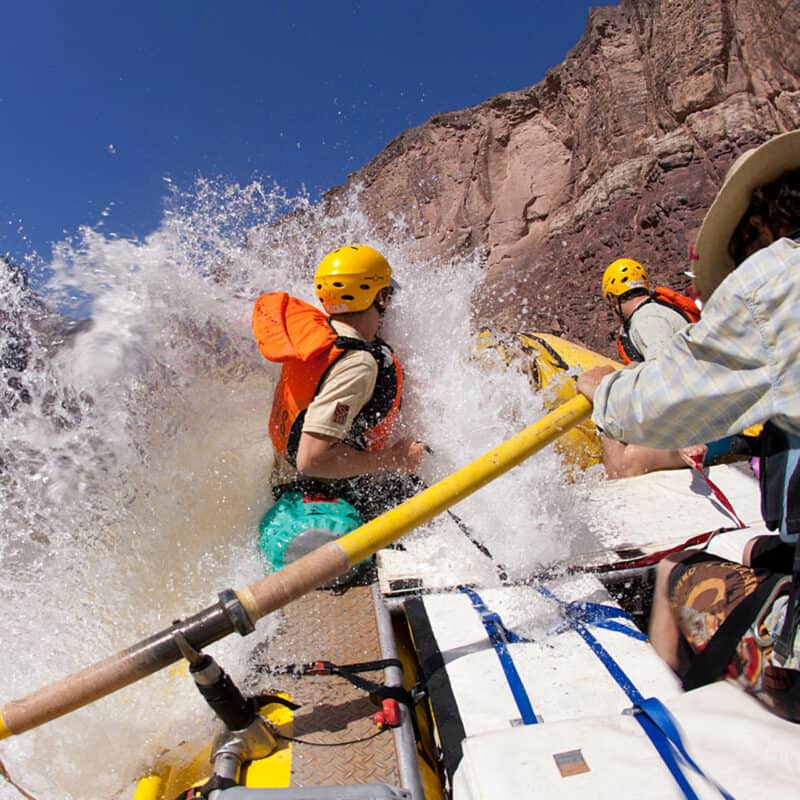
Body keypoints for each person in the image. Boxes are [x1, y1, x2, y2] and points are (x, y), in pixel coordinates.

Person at [577, 129, 800, 720]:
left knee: (676, 566)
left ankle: (668, 720)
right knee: (755, 548)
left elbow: (666, 394)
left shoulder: (777, 281)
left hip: (708, 422)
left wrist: (603, 390)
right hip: (738, 424)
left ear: (759, 228)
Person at [252, 243, 426, 573]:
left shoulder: (320, 337)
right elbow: (312, 459)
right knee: (423, 498)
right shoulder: (358, 364)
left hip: (287, 484)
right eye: (386, 293)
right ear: (381, 298)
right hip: (326, 490)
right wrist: (397, 459)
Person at [599, 257, 705, 478]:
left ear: (612, 298)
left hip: (708, 429)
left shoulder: (647, 320)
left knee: (624, 465)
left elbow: (666, 376)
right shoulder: (655, 312)